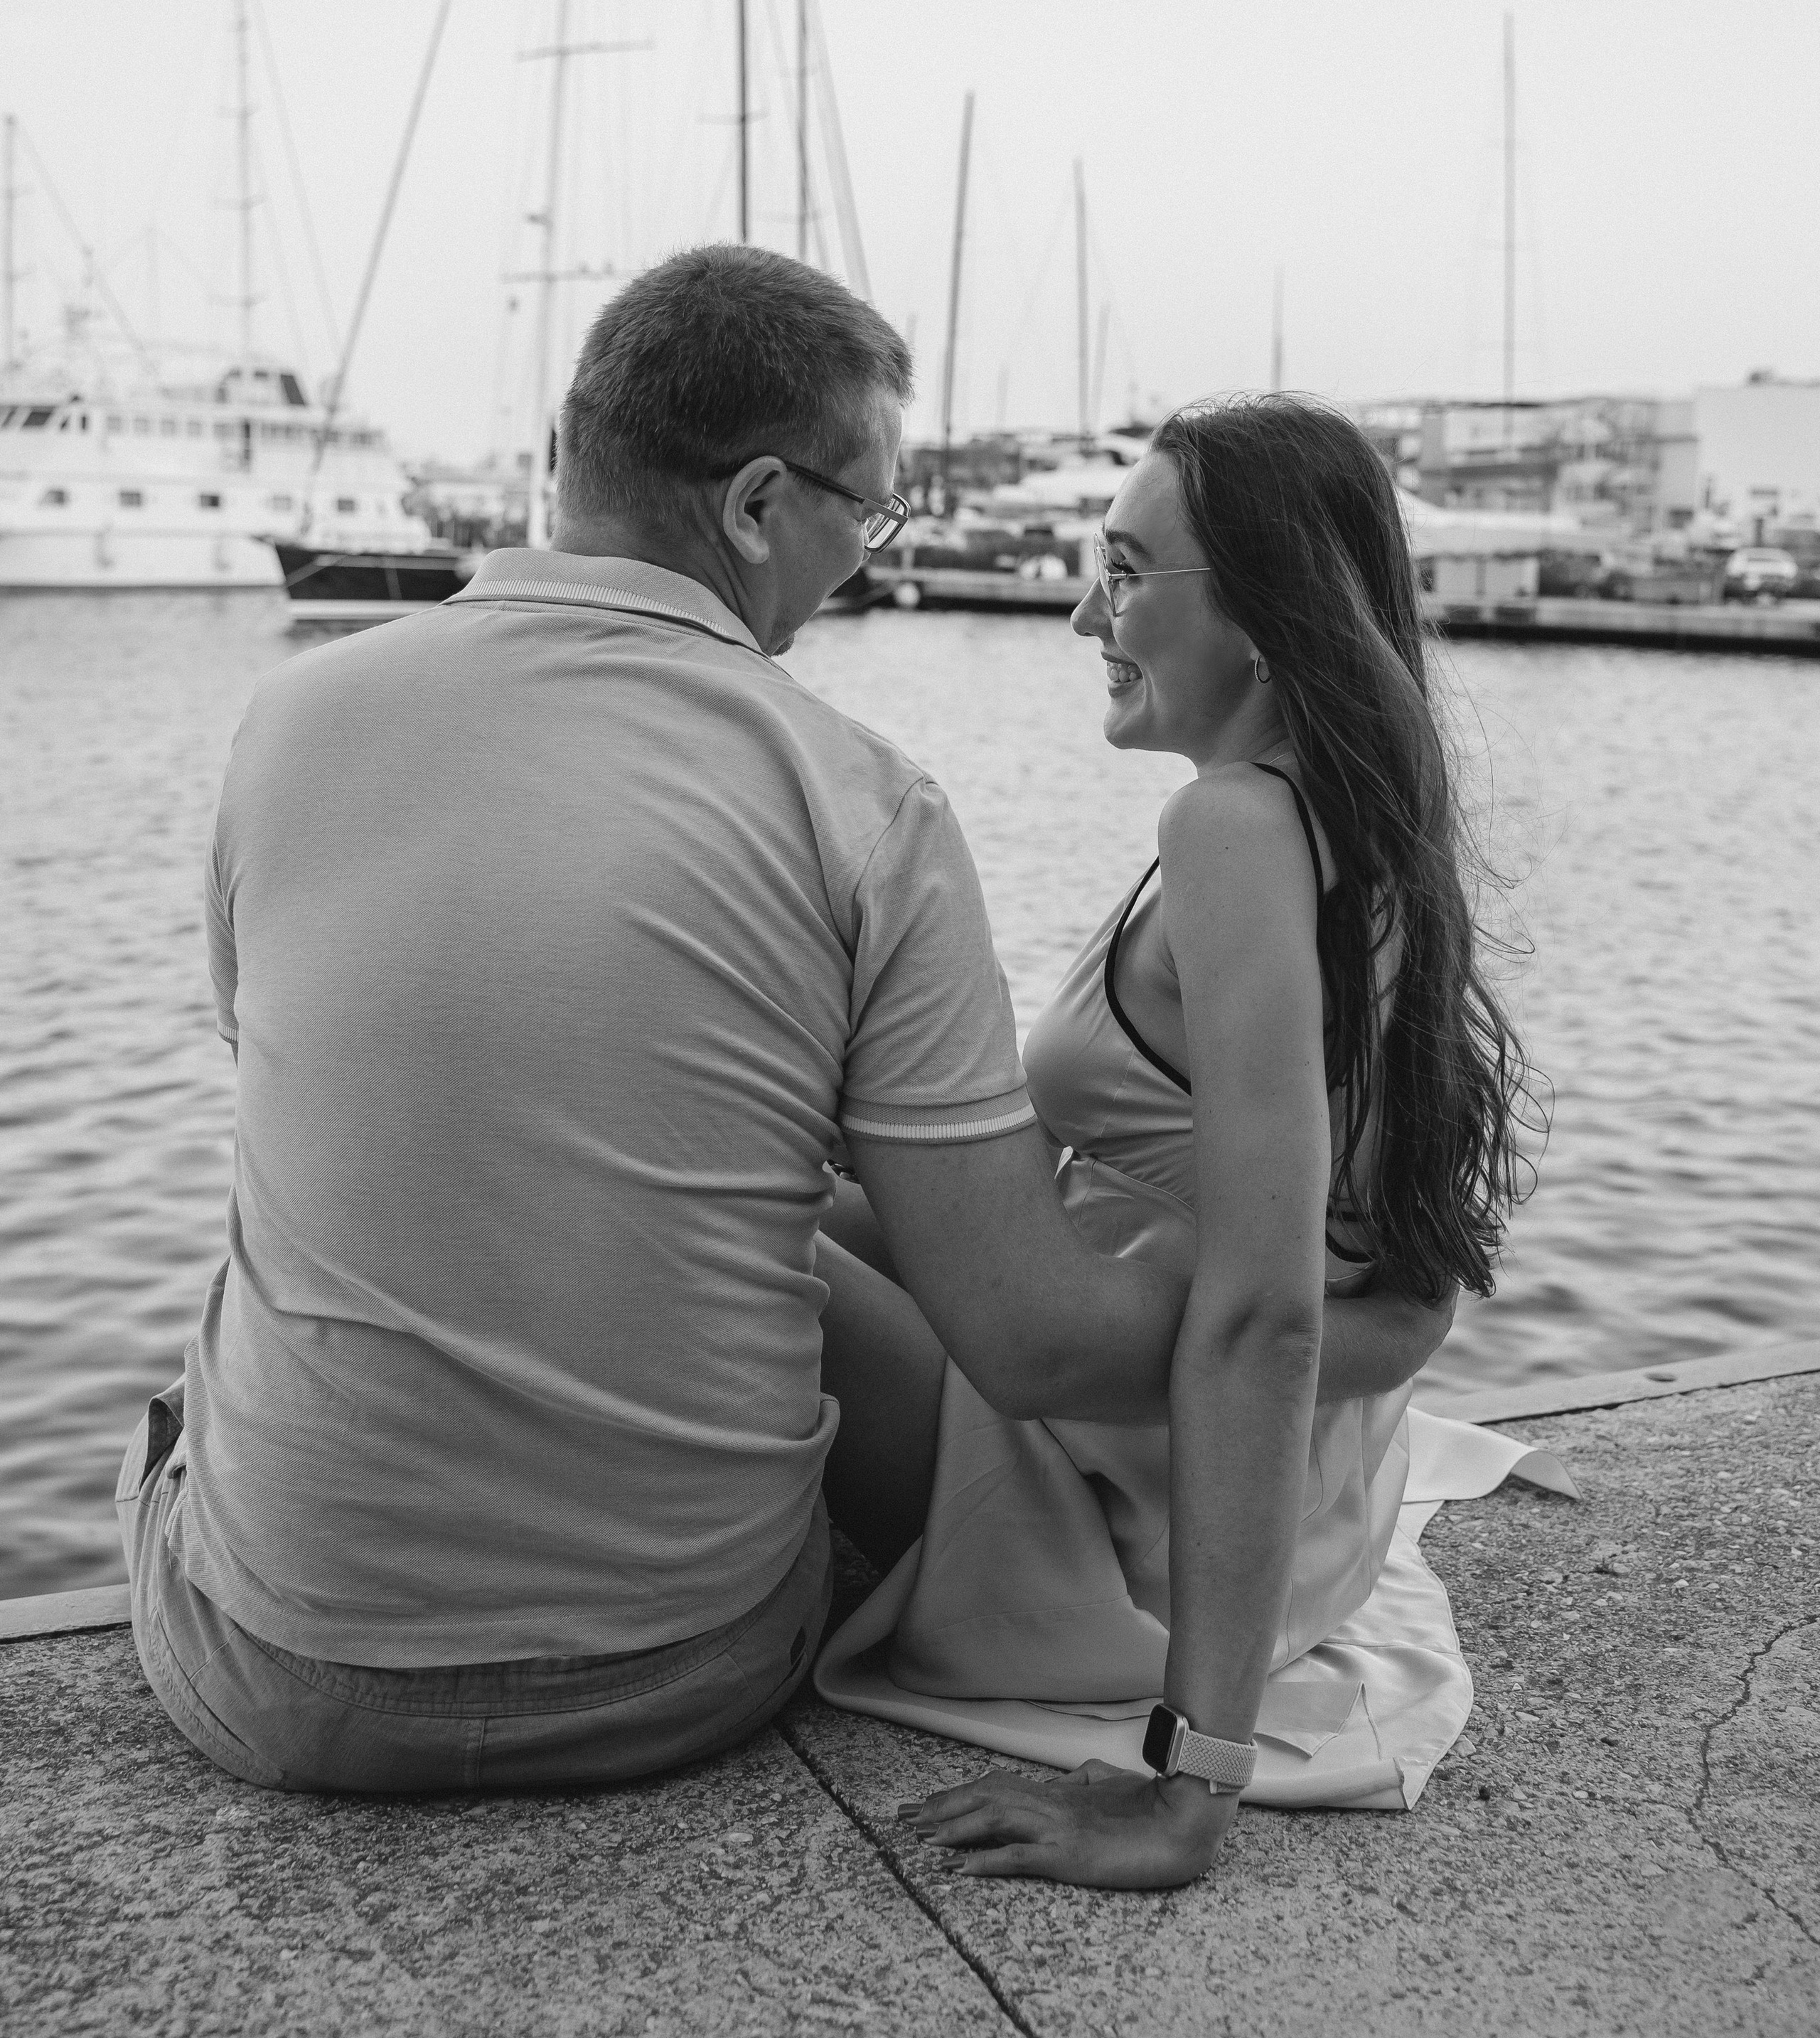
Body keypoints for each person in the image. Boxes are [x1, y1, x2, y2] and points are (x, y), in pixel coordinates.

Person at [117, 254, 1451, 1798]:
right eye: (865, 519)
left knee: (200, 1390)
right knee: (726, 1221)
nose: (865, 568)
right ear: (757, 506)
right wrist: (1370, 1332)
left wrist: (1322, 1335)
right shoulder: (860, 798)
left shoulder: (287, 722)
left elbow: (299, 1071)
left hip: (273, 1692)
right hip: (689, 1670)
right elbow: (1024, 1315)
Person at [815, 395, 1531, 1890]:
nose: (1084, 611)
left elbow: (1270, 1305)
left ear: (1268, 617)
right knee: (786, 1194)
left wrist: (1185, 1783)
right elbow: (1374, 1271)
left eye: (1128, 573)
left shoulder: (1230, 833)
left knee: (718, 1244)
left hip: (1127, 1533)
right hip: (1280, 1496)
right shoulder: (1347, 819)